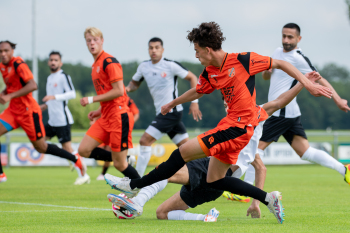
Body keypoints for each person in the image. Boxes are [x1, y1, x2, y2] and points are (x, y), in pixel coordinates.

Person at [104, 22, 332, 224]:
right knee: (215, 179)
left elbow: (281, 64)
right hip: (230, 128)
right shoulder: (211, 71)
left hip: (237, 128)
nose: (196, 56)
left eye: (197, 51)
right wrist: (172, 102)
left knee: (182, 152)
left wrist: (306, 83)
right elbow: (197, 91)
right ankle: (266, 198)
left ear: (208, 49)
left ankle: (133, 186)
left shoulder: (244, 60)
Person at [255, 23, 350, 186]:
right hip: (289, 114)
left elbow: (320, 79)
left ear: (299, 39)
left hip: (280, 113)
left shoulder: (299, 58)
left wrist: (337, 99)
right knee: (305, 152)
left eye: (290, 37)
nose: (286, 40)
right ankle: (345, 170)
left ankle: (245, 192)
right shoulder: (277, 52)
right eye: (284, 36)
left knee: (254, 149)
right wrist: (266, 72)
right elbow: (266, 77)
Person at [0, 40, 86, 184]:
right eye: (0, 51)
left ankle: (74, 158)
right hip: (13, 111)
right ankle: (1, 175)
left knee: (41, 147)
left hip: (28, 113)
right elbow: (11, 87)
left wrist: (9, 96)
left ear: (12, 51)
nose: (3, 54)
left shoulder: (18, 64)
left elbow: (33, 85)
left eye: (6, 51)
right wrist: (4, 93)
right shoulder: (3, 66)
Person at [125, 37, 202, 176]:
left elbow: (193, 78)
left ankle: (135, 181)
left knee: (144, 141)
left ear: (162, 50)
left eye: (157, 47)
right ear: (148, 50)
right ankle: (210, 175)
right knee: (188, 150)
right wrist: (126, 89)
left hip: (171, 112)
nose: (154, 50)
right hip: (163, 114)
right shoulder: (143, 67)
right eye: (151, 48)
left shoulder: (170, 65)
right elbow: (134, 84)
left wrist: (194, 102)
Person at [77, 27, 140, 180]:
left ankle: (142, 188)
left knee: (119, 166)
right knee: (84, 150)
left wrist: (91, 99)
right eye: (88, 41)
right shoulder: (95, 65)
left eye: (95, 40)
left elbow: (119, 91)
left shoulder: (109, 61)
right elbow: (107, 94)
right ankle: (123, 158)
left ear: (102, 41)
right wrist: (99, 110)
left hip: (119, 117)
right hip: (105, 117)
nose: (92, 43)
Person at [39, 51, 82, 173]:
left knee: (67, 148)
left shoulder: (63, 76)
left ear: (60, 63)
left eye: (56, 60)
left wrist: (54, 97)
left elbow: (72, 93)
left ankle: (83, 174)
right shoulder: (49, 78)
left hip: (63, 120)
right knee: (40, 141)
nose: (53, 62)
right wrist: (45, 105)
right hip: (52, 121)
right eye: (51, 60)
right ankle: (68, 158)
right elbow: (50, 98)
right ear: (48, 62)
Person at [96, 96, 139, 180]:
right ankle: (126, 159)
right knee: (98, 150)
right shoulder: (108, 98)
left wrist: (129, 125)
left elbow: (136, 113)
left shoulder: (128, 100)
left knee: (109, 150)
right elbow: (102, 111)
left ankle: (103, 173)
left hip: (117, 127)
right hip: (106, 127)